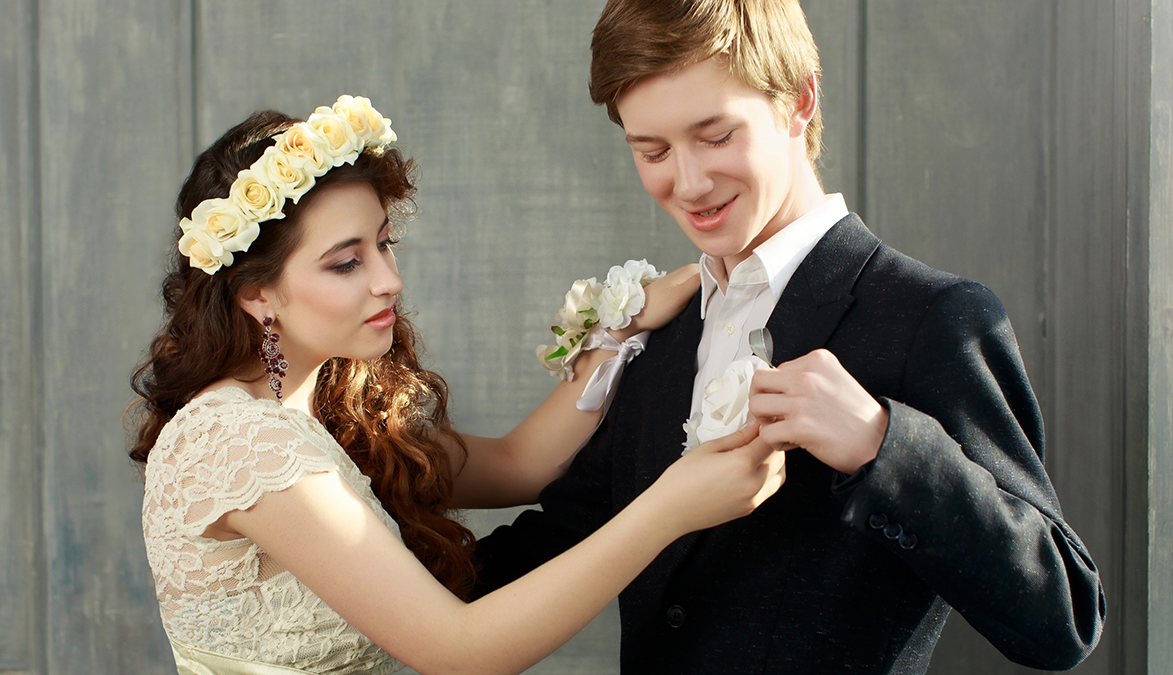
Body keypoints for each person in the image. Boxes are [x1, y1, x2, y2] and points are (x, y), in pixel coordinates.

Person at [472, 1, 1107, 672]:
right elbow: (553, 544)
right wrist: (356, 547)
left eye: (716, 136)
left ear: (799, 100)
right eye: (652, 150)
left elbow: (1063, 614)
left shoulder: (932, 316)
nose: (688, 183)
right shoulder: (658, 335)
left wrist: (881, 445)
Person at [129, 97, 788, 675]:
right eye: (346, 262)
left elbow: (520, 463)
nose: (388, 279)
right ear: (257, 294)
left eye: (384, 245)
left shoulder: (327, 413)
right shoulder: (234, 439)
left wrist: (622, 326)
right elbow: (459, 650)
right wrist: (669, 508)